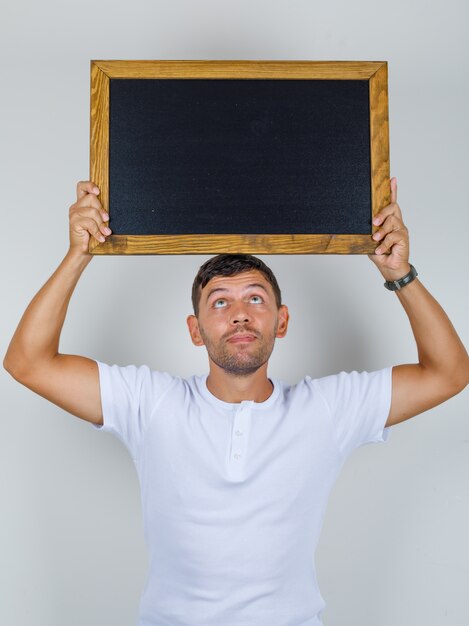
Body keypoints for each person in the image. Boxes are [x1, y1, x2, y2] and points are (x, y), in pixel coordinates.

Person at [4, 178, 469, 626]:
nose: (241, 313)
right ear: (195, 329)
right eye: (220, 302)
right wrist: (77, 254)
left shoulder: (327, 408)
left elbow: (449, 373)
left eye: (255, 298)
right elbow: (27, 362)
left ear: (281, 322)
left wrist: (398, 273)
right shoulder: (150, 403)